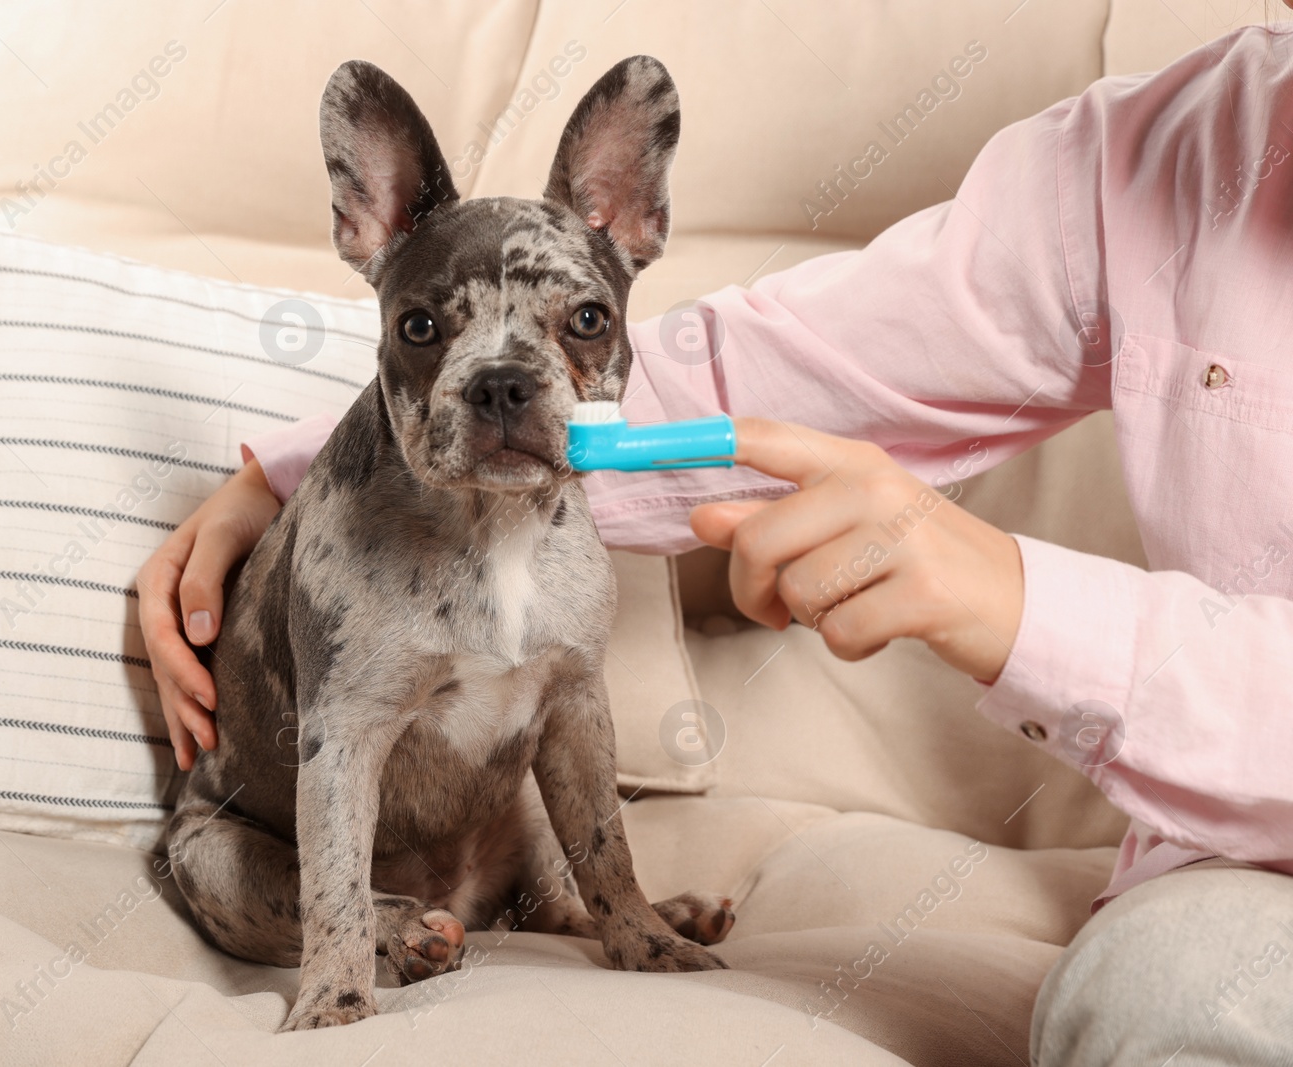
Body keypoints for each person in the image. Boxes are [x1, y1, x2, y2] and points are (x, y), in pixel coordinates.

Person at [138, 25, 1293, 1065]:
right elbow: (768, 380)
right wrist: (278, 476)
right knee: (1173, 986)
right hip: (1239, 895)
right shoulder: (1171, 156)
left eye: (579, 321)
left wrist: (1025, 604)